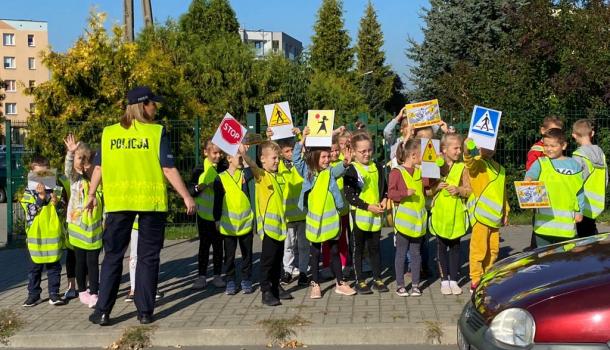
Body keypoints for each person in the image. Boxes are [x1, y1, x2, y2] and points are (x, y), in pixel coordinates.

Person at [86, 86, 196, 326]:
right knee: (148, 258)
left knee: (113, 256)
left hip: (118, 204)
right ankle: (145, 312)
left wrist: (92, 194)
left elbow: (99, 168)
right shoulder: (156, 132)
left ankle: (103, 311)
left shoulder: (109, 133)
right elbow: (168, 168)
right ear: (143, 105)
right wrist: (186, 196)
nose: (155, 107)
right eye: (153, 103)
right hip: (151, 204)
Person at [293, 127, 356, 299]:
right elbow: (296, 159)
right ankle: (315, 284)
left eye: (329, 156)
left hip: (331, 222)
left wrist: (345, 163)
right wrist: (302, 139)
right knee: (315, 254)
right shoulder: (308, 173)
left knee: (334, 252)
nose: (328, 159)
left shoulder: (330, 172)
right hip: (315, 222)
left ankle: (340, 283)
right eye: (324, 157)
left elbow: (339, 169)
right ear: (315, 158)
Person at [242, 141, 293, 306]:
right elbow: (252, 165)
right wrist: (243, 154)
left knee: (277, 261)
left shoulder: (277, 176)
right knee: (267, 262)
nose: (277, 161)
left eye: (278, 158)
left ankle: (275, 288)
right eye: (273, 158)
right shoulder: (262, 176)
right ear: (263, 160)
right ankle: (265, 292)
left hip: (280, 228)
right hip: (269, 230)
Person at [344, 132, 389, 294]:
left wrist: (384, 199)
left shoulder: (377, 167)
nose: (367, 154)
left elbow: (384, 188)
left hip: (376, 216)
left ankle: (378, 278)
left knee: (375, 249)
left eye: (369, 150)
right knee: (358, 248)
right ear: (354, 152)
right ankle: (360, 280)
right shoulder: (351, 169)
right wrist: (368, 206)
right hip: (359, 216)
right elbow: (349, 196)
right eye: (362, 151)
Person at [525, 128, 584, 246]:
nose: (548, 149)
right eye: (546, 145)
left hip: (566, 227)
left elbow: (580, 190)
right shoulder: (541, 162)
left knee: (564, 261)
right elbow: (530, 176)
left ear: (563, 146)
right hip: (543, 227)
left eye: (553, 146)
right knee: (544, 261)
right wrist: (528, 181)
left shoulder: (574, 165)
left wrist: (580, 211)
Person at [464, 138, 509, 293]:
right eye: (486, 145)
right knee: (479, 249)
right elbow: (470, 163)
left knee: (494, 249)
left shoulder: (501, 169)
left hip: (495, 217)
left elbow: (503, 193)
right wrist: (467, 149)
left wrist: (506, 211)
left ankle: (487, 275)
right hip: (481, 216)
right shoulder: (479, 163)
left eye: (493, 145)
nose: (490, 148)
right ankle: (476, 278)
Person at [63, 134, 103, 308]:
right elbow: (67, 170)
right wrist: (71, 154)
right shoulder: (74, 178)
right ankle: (82, 291)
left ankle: (95, 291)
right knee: (80, 260)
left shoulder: (96, 175)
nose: (82, 161)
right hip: (77, 226)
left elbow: (103, 194)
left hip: (94, 227)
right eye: (79, 158)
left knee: (93, 261)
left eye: (84, 157)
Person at [21, 155, 66, 307]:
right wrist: (41, 198)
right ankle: (34, 294)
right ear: (31, 174)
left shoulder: (56, 190)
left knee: (54, 267)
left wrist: (56, 202)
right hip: (36, 237)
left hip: (52, 235)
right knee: (35, 269)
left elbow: (62, 211)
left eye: (45, 174)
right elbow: (30, 211)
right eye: (38, 175)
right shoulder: (28, 192)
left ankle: (54, 294)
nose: (41, 179)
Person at [429, 133, 471, 295]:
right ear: (444, 149)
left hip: (456, 213)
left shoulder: (463, 167)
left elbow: (469, 190)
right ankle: (444, 280)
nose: (459, 151)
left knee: (455, 247)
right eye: (455, 148)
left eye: (460, 148)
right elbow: (427, 191)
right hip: (440, 212)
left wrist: (459, 190)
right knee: (440, 246)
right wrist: (436, 188)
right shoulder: (434, 166)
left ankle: (453, 279)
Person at [266, 128, 309, 287]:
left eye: (292, 150)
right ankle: (288, 271)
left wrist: (300, 135)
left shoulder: (301, 164)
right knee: (288, 246)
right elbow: (269, 155)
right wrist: (268, 138)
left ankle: (304, 272)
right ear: (281, 153)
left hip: (303, 214)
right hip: (287, 216)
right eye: (287, 151)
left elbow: (304, 148)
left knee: (304, 246)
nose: (290, 153)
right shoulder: (279, 168)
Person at [212, 145, 254, 295]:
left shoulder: (244, 174)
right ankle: (230, 281)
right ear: (229, 158)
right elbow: (217, 202)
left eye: (242, 157)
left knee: (247, 254)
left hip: (245, 222)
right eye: (238, 156)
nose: (241, 159)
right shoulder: (220, 178)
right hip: (228, 224)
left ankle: (246, 279)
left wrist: (244, 152)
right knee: (229, 256)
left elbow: (252, 170)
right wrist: (216, 219)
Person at [388, 139, 427, 297]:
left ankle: (416, 284)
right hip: (404, 224)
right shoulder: (397, 172)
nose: (423, 157)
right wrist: (404, 193)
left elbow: (429, 184)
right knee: (401, 254)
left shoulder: (420, 171)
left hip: (418, 223)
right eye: (421, 155)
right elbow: (391, 193)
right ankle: (400, 285)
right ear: (413, 155)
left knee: (416, 254)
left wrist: (434, 164)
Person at [190, 140, 225, 290]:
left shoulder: (224, 168)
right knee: (204, 246)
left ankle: (217, 275)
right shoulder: (198, 170)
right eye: (215, 153)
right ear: (206, 152)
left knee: (218, 246)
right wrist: (200, 187)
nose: (218, 156)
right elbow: (190, 190)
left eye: (220, 153)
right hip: (203, 215)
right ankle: (201, 277)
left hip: (219, 216)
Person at [571, 119, 607, 237]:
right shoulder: (600, 153)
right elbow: (606, 177)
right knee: (590, 228)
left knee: (584, 235)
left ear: (574, 135)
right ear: (592, 133)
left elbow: (576, 180)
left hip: (583, 202)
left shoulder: (579, 156)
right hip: (596, 202)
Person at [323, 136, 352, 279]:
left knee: (342, 239)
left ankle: (343, 265)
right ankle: (327, 265)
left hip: (342, 209)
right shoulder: (324, 166)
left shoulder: (344, 163)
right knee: (326, 240)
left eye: (336, 150)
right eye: (330, 151)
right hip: (328, 211)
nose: (333, 154)